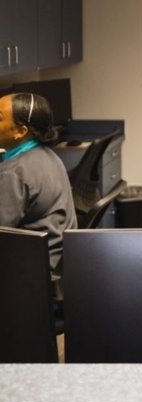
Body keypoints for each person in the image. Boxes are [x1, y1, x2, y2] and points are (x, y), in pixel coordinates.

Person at [0, 92, 77, 272]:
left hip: (33, 270)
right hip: (57, 259)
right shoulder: (47, 155)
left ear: (20, 132)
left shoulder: (14, 173)